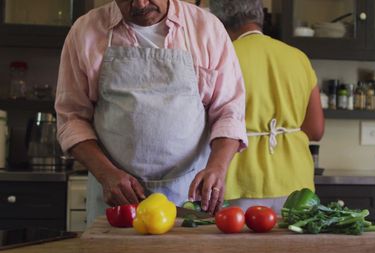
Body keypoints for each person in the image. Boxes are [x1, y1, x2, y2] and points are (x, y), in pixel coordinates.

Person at [55, 0, 248, 224]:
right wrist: (105, 173)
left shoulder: (206, 28)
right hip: (117, 196)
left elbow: (229, 110)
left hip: (188, 195)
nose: (140, 4)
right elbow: (71, 118)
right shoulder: (85, 31)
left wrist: (217, 166)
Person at [210, 0, 325, 213]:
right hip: (296, 183)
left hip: (240, 181)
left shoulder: (223, 57)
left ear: (219, 21)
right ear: (259, 17)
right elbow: (316, 130)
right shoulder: (298, 58)